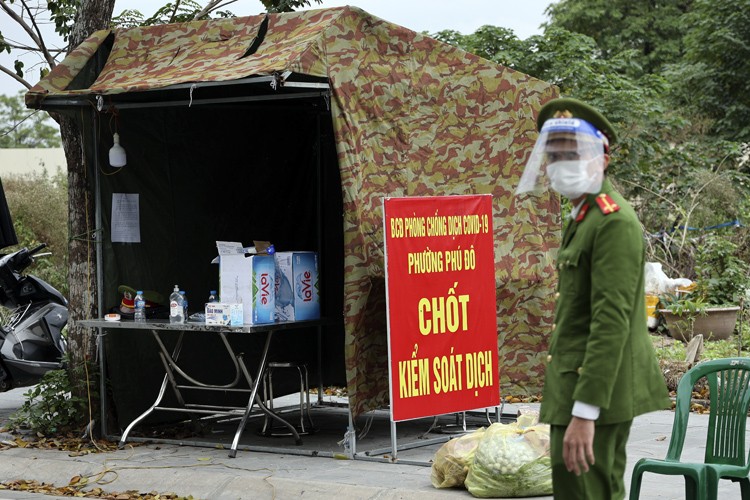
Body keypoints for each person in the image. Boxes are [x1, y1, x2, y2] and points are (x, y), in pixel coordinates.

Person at [516, 97, 670, 499]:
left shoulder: (613, 222)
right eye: (555, 155)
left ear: (602, 158)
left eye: (574, 153)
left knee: (590, 493)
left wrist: (585, 413)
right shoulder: (584, 215)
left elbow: (611, 322)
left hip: (596, 394)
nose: (561, 164)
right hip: (577, 386)